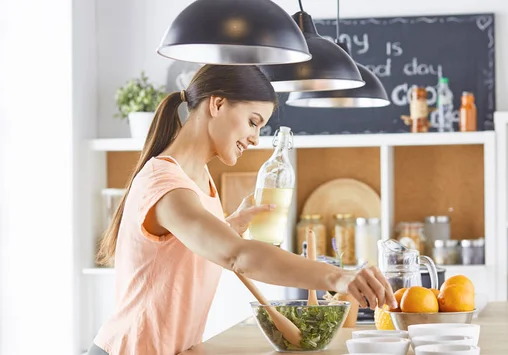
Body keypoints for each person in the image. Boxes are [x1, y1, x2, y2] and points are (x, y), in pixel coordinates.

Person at [88, 65, 398, 355]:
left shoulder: (198, 178)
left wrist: (230, 224)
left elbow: (184, 251)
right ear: (217, 104)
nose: (255, 138)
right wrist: (338, 279)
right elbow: (237, 256)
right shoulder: (165, 182)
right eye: (253, 121)